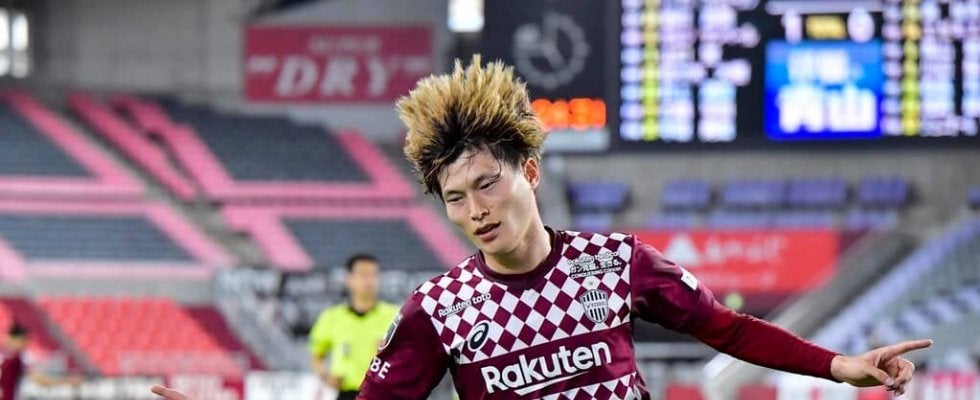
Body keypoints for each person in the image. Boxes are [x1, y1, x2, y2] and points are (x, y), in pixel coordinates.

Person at [153, 56, 931, 400]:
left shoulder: (617, 262)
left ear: (528, 171)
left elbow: (725, 329)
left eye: (486, 184)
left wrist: (839, 366)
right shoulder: (437, 309)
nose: (474, 209)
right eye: (454, 198)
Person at [308, 254, 399, 400]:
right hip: (347, 393)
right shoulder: (332, 317)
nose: (368, 280)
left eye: (373, 275)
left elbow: (411, 354)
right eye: (363, 274)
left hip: (383, 393)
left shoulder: (394, 316)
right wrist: (326, 376)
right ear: (349, 279)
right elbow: (316, 355)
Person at [2, 324, 83, 400]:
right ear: (16, 339)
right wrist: (68, 381)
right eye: (25, 341)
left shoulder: (15, 356)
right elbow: (40, 380)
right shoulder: (20, 357)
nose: (26, 345)